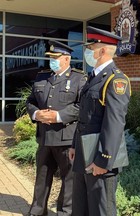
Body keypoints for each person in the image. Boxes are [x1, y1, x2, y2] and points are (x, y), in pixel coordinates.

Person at [69, 26, 131, 216]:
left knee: (100, 210)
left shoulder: (116, 80)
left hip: (99, 161)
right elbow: (84, 118)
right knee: (81, 209)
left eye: (90, 47)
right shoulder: (93, 78)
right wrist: (74, 145)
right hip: (83, 154)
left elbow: (114, 124)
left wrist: (103, 161)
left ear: (102, 50)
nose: (87, 51)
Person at [26, 40, 87, 216]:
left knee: (69, 181)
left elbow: (81, 105)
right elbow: (30, 101)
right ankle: (37, 211)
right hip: (44, 138)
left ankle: (65, 212)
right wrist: (37, 114)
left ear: (66, 59)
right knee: (42, 177)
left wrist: (58, 116)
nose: (52, 61)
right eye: (50, 58)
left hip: (66, 138)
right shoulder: (42, 77)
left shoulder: (79, 79)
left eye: (55, 58)